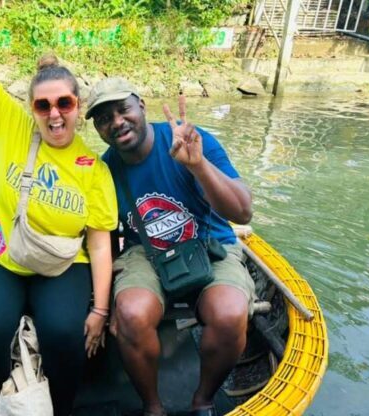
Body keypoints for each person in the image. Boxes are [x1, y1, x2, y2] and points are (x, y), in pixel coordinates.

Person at [0, 1, 118, 415]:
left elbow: (100, 244)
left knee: (65, 333)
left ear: (78, 107)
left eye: (64, 104)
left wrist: (100, 310)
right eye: (43, 105)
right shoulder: (8, 124)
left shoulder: (93, 168)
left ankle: (62, 409)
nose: (54, 114)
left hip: (63, 262)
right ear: (31, 108)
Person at [86, 78, 256, 416]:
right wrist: (108, 304)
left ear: (142, 107)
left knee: (230, 313)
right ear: (99, 129)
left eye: (123, 110)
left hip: (209, 243)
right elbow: (103, 237)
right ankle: (153, 407)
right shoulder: (103, 171)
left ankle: (203, 400)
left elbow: (242, 212)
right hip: (146, 254)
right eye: (104, 118)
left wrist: (197, 165)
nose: (117, 122)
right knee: (132, 313)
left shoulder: (191, 140)